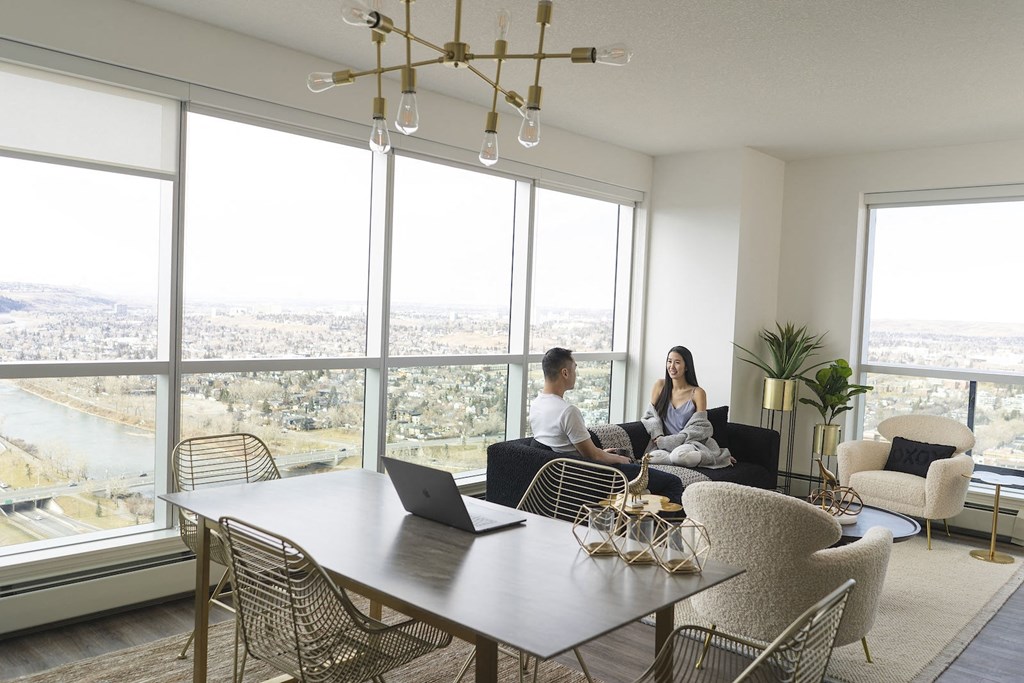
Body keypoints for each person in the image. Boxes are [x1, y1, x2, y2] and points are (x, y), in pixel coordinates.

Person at [529, 347, 632, 465]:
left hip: (553, 470)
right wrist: (622, 460)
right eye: (574, 369)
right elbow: (593, 456)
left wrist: (603, 454)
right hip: (578, 472)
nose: (576, 375)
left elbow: (561, 446)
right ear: (565, 373)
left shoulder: (536, 405)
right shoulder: (568, 412)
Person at [641, 346, 734, 468]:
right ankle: (678, 459)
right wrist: (658, 436)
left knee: (678, 456)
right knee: (649, 458)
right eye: (669, 361)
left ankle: (709, 457)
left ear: (686, 367)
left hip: (689, 443)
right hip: (663, 446)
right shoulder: (660, 386)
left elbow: (700, 426)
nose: (672, 366)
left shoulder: (697, 393)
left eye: (677, 362)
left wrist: (671, 441)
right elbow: (650, 416)